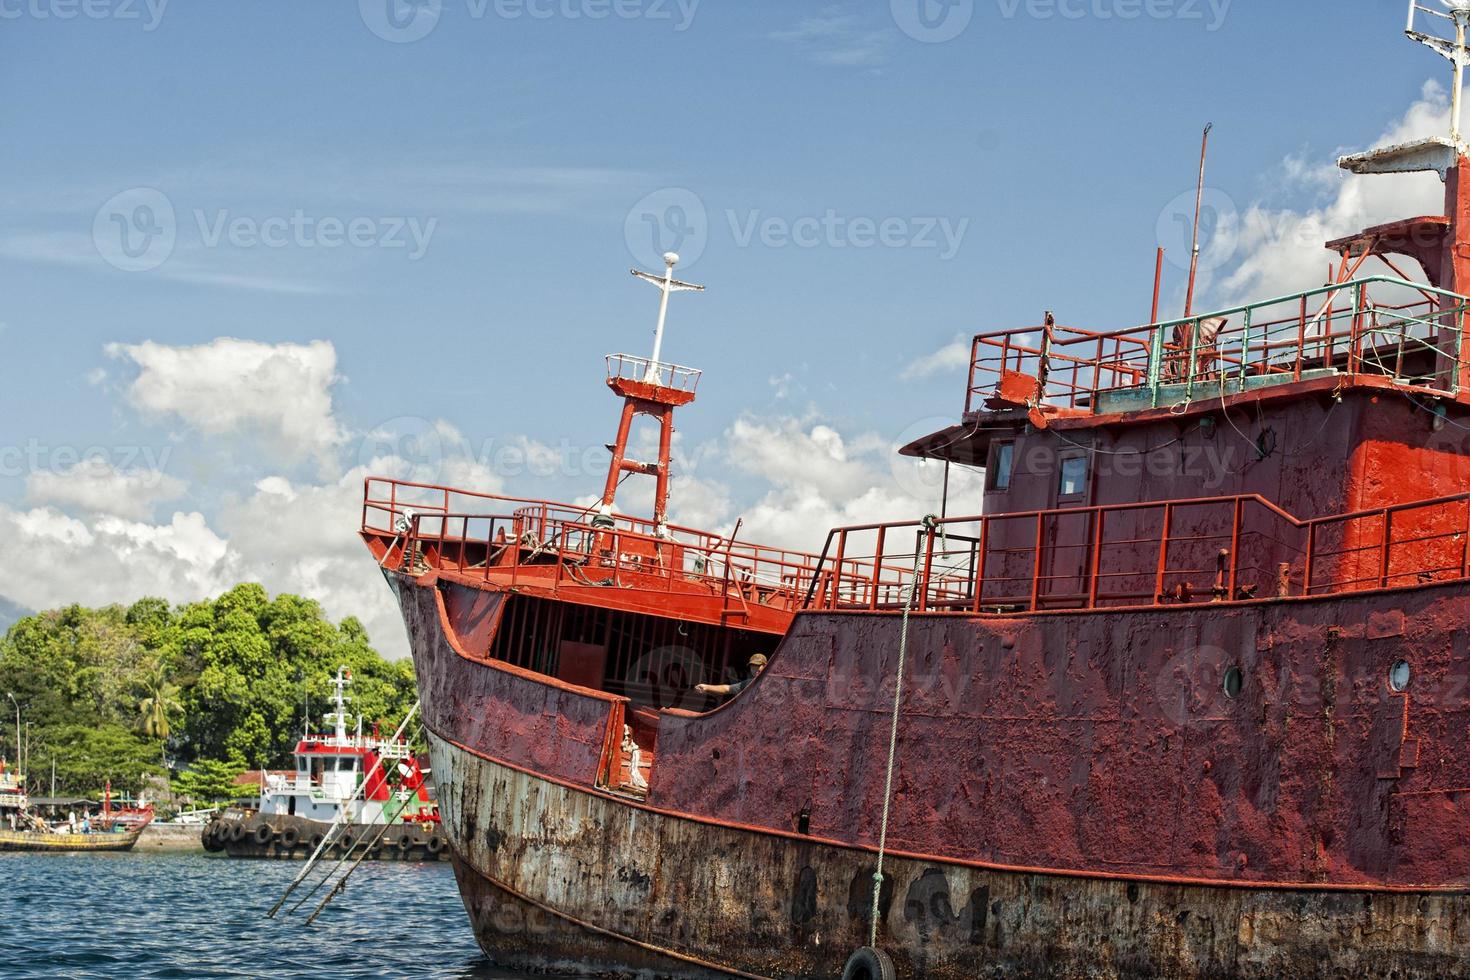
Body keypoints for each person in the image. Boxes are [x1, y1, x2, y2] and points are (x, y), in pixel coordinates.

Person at [695, 654, 767, 700]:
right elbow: (727, 689)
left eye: (758, 666)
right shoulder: (749, 683)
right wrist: (706, 687)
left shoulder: (772, 682)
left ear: (765, 666)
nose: (755, 669)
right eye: (753, 667)